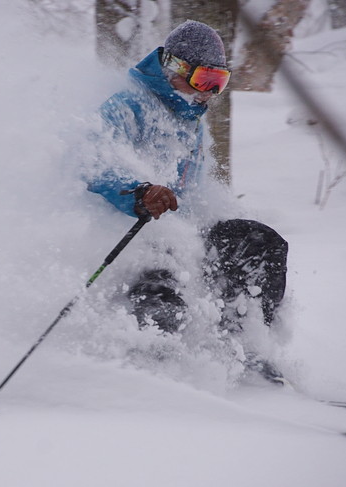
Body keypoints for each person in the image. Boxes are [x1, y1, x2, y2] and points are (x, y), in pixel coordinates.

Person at [85, 20, 288, 378]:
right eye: (205, 80)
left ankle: (244, 353)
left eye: (219, 83)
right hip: (131, 229)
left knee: (258, 242)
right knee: (163, 273)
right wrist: (140, 191)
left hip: (178, 232)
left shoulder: (191, 120)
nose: (210, 93)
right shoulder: (127, 105)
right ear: (174, 68)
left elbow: (195, 196)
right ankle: (154, 366)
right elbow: (92, 163)